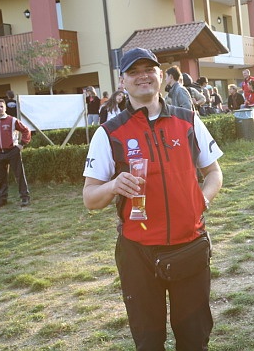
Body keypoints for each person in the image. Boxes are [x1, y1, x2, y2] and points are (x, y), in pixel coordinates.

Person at [83, 47, 223, 349]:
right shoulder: (109, 132)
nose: (143, 76)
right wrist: (113, 185)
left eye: (149, 69)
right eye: (134, 72)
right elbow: (90, 198)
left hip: (189, 245)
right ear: (122, 81)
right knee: (148, 342)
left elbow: (214, 173)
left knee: (194, 339)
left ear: (161, 75)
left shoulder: (188, 120)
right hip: (138, 253)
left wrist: (202, 201)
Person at [0, 98, 32, 208]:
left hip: (12, 151)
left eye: (2, 106)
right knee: (1, 178)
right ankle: (2, 199)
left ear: (5, 108)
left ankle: (25, 198)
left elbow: (26, 130)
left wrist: (22, 144)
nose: (0, 109)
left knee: (19, 175)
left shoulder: (12, 120)